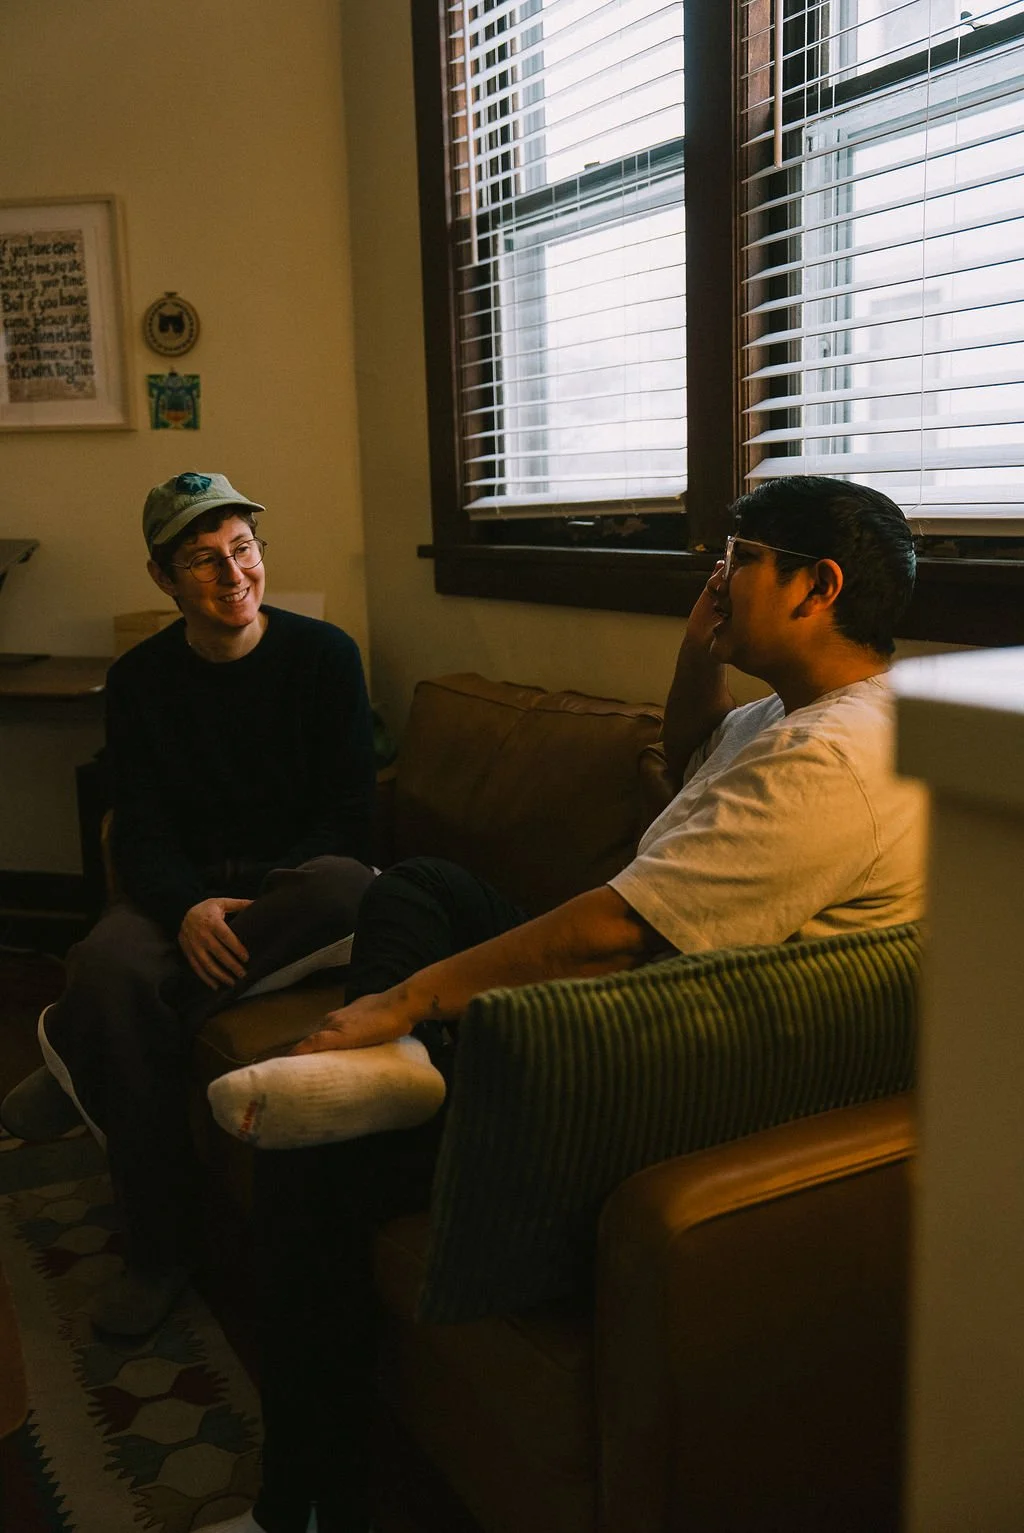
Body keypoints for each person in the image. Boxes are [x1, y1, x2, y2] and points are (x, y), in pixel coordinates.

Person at [202, 475, 930, 1533]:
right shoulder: (796, 714)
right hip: (638, 988)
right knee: (419, 887)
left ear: (817, 586)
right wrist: (698, 649)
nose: (715, 578)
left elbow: (618, 931)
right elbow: (690, 751)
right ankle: (394, 1074)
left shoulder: (833, 758)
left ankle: (302, 1508)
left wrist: (401, 1001)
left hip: (648, 1053)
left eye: (737, 560)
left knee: (308, 1163)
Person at [0, 471, 377, 1337]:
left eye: (243, 549)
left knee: (351, 886)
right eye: (203, 560)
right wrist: (186, 908)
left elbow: (350, 819)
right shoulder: (139, 680)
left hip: (295, 887)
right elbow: (137, 829)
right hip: (188, 888)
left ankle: (78, 1040)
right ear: (162, 578)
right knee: (106, 962)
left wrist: (252, 900)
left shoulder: (326, 657)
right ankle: (158, 1253)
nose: (233, 574)